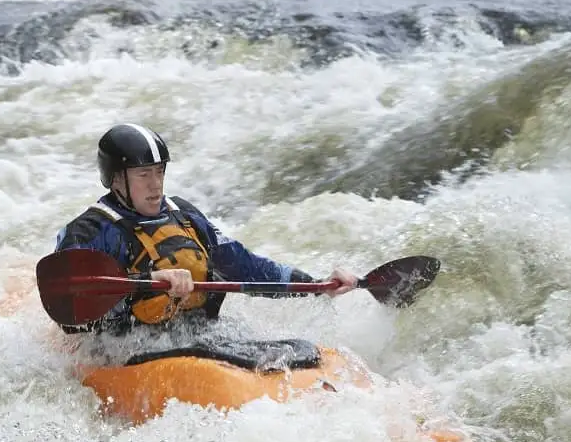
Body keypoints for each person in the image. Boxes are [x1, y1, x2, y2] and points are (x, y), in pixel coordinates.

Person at [53, 122, 358, 334]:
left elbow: (244, 265)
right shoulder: (90, 231)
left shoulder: (182, 213)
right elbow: (71, 314)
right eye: (143, 174)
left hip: (197, 337)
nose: (155, 184)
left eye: (159, 172)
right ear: (117, 179)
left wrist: (316, 285)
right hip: (124, 348)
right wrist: (149, 280)